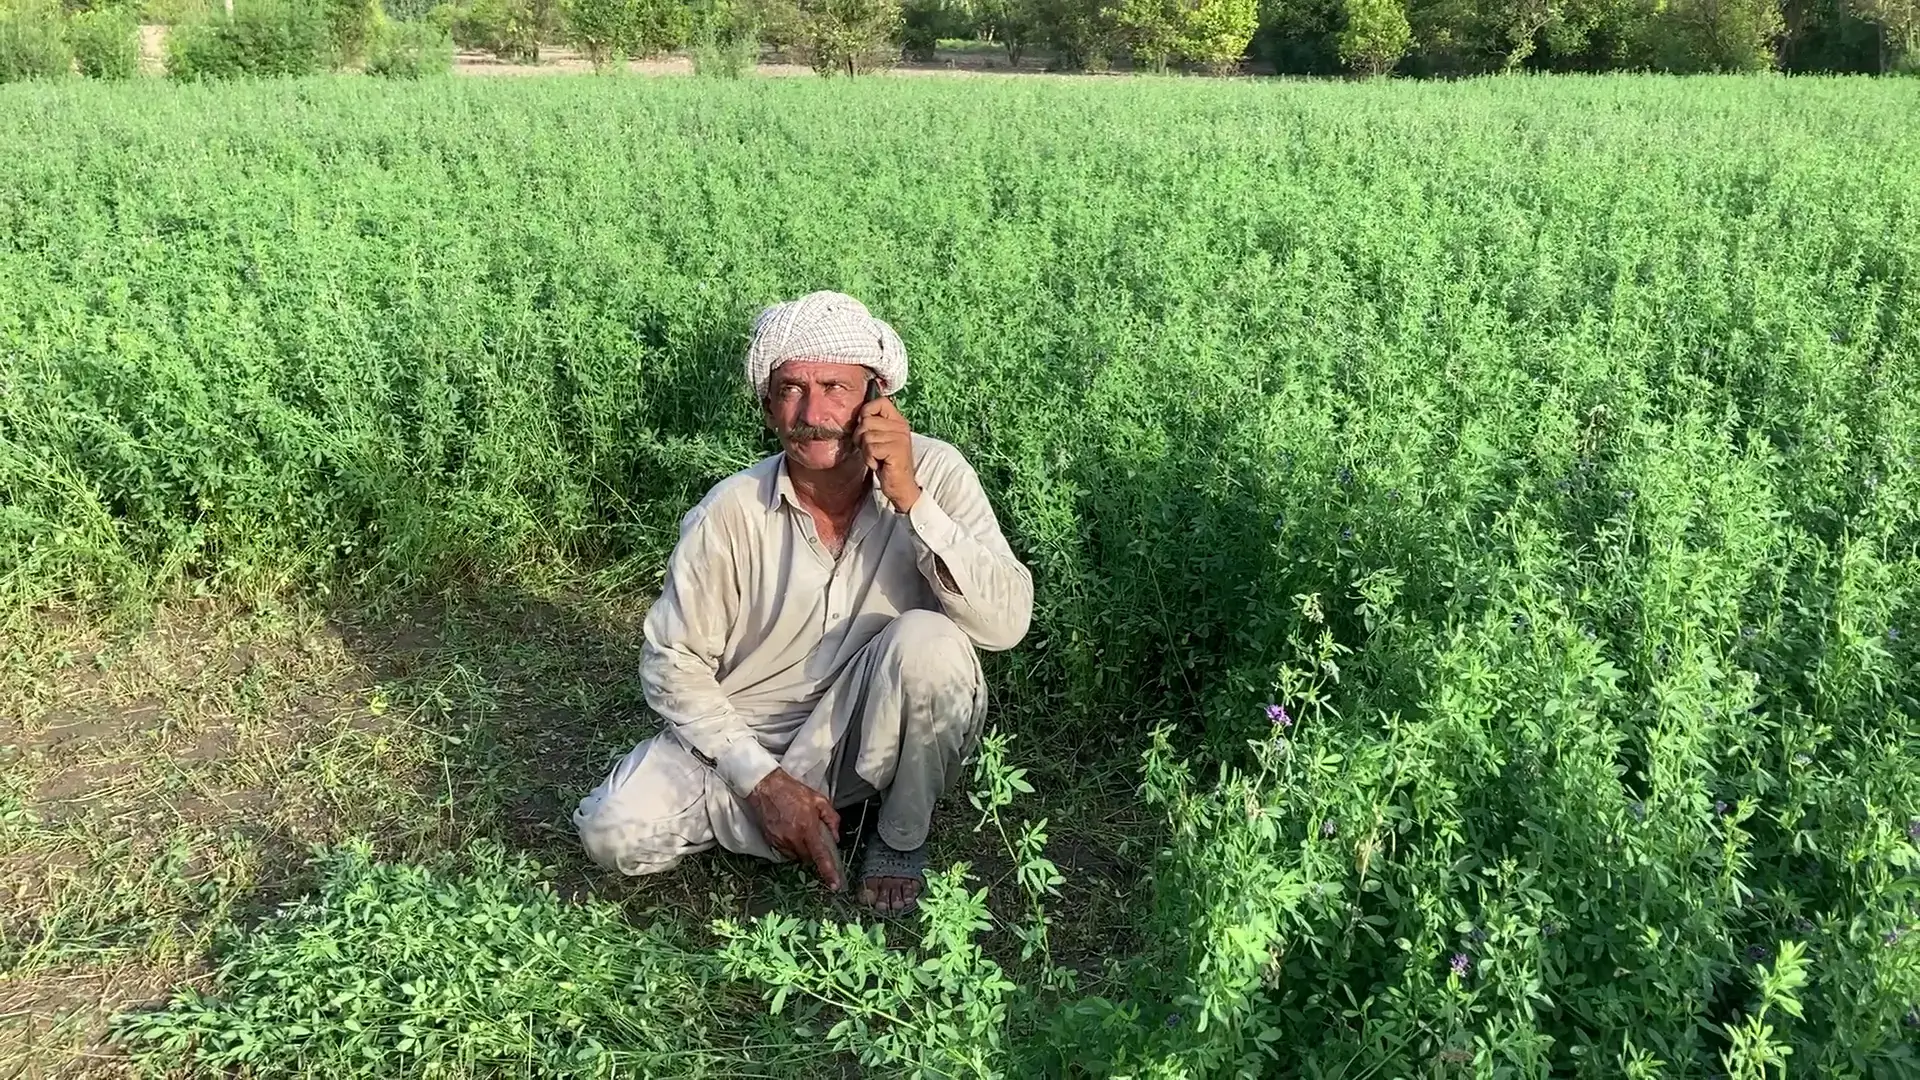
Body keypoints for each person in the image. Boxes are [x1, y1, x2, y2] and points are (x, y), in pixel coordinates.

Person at [574, 290, 1033, 913]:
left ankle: (898, 834)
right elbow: (672, 663)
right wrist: (762, 781)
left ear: (877, 399)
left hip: (876, 717)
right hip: (753, 729)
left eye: (837, 388)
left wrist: (911, 499)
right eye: (791, 389)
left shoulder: (936, 472)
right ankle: (805, 807)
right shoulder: (731, 511)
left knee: (932, 644)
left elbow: (1005, 624)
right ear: (768, 408)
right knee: (612, 832)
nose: (814, 412)